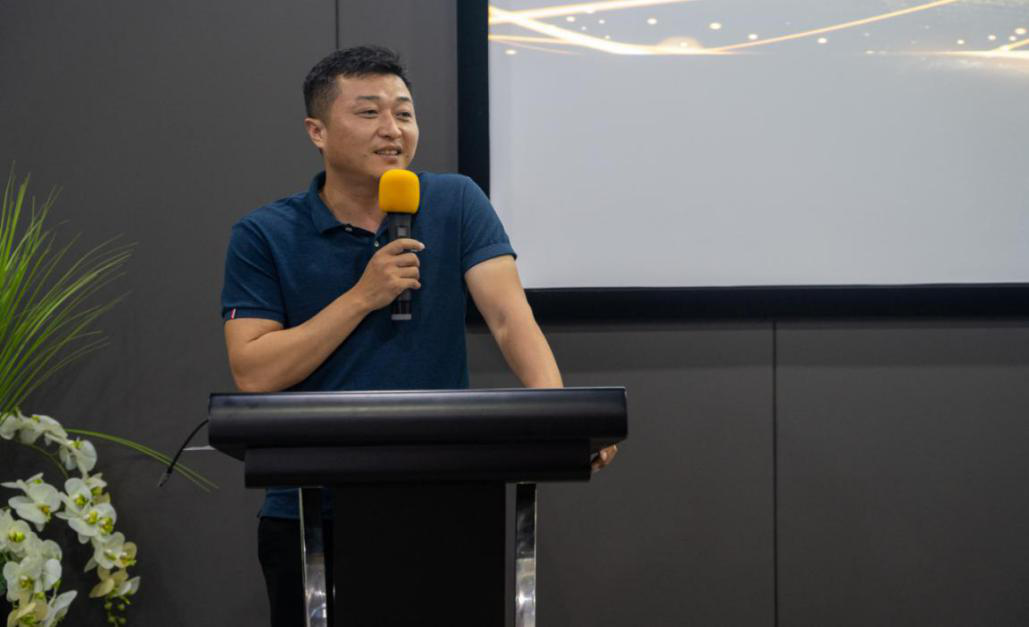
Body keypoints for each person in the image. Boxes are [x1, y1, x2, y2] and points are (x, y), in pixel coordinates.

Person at [220, 45, 617, 625]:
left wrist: (561, 415)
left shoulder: (455, 201)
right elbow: (253, 371)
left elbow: (510, 319)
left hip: (446, 497)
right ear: (317, 131)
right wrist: (363, 296)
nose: (393, 129)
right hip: (311, 510)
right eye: (369, 112)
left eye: (403, 113)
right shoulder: (264, 234)